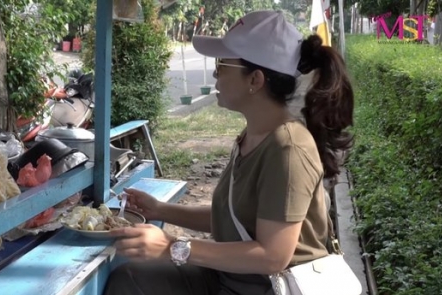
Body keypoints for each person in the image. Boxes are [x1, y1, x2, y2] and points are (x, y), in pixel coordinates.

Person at [103, 10, 354, 295]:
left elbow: (273, 256)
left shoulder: (288, 148)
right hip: (230, 279)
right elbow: (232, 217)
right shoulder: (253, 135)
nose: (214, 72)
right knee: (130, 278)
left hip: (269, 287)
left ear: (255, 80)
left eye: (223, 64)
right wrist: (160, 210)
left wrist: (174, 247)